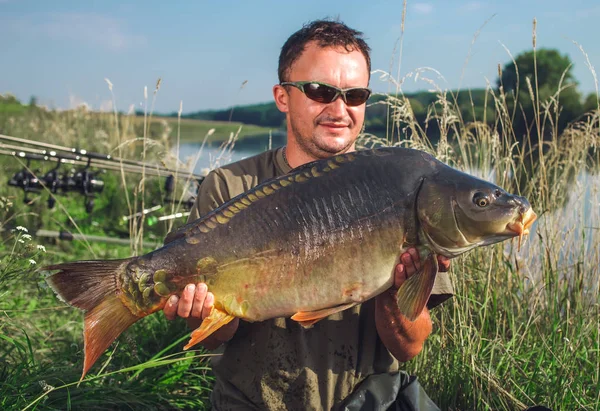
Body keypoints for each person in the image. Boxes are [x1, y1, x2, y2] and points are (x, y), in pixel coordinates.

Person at [163, 19, 454, 410]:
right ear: (282, 97)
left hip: (367, 402)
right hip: (250, 401)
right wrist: (203, 312)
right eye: (320, 91)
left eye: (355, 95)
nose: (339, 110)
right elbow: (216, 337)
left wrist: (393, 286)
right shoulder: (230, 186)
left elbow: (410, 346)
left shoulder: (406, 189)